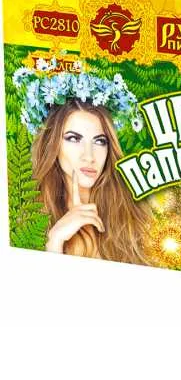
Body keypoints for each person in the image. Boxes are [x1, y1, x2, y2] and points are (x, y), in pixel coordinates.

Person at [14, 59, 149, 263]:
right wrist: (54, 241)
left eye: (100, 141)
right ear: (53, 145)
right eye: (74, 139)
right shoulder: (28, 216)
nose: (89, 156)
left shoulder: (133, 216)